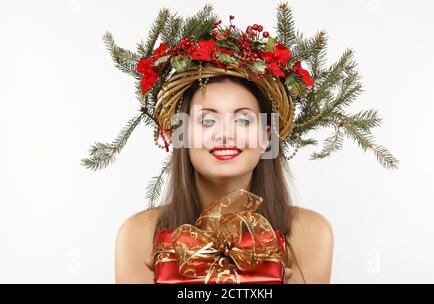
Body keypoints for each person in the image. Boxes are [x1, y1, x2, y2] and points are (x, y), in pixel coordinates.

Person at [115, 74, 334, 284]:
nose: (226, 134)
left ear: (267, 137)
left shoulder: (311, 233)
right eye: (208, 120)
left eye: (243, 120)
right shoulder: (138, 235)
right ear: (183, 134)